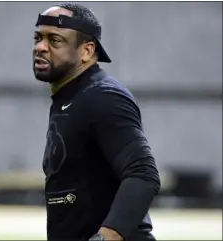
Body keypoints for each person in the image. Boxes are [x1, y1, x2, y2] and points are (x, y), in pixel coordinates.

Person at [33, 3, 161, 241]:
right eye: (38, 38)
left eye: (54, 40)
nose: (40, 47)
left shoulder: (103, 97)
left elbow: (143, 175)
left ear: (87, 51)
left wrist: (105, 238)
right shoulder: (68, 98)